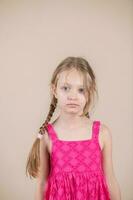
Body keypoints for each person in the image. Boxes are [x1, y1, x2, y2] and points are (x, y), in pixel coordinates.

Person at [26, 56, 121, 200]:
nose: (73, 96)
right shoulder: (47, 136)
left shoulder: (102, 133)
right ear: (54, 90)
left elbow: (110, 180)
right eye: (66, 88)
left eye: (81, 90)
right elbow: (42, 184)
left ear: (90, 93)